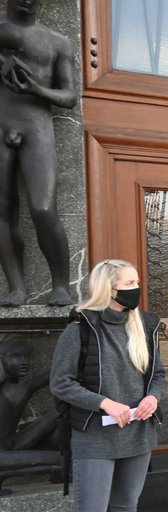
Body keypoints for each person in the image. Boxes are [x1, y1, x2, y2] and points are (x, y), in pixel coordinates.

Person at [42, 259, 166, 512]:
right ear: (108, 289)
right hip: (95, 437)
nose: (135, 289)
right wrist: (103, 403)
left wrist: (152, 398)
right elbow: (60, 383)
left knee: (127, 507)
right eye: (128, 283)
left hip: (138, 434)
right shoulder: (80, 328)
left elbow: (158, 375)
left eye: (137, 282)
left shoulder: (143, 325)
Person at [0, 0, 77, 306]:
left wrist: (35, 89)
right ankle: (16, 287)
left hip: (37, 126)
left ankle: (61, 285)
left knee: (43, 208)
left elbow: (70, 96)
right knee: (2, 212)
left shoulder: (58, 42)